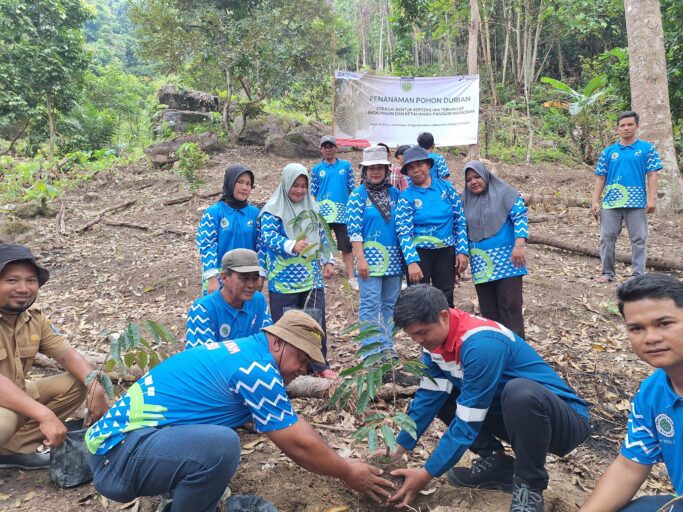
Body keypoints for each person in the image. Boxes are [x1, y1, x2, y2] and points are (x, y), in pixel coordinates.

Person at [86, 310, 394, 512]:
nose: (302, 370)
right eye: (302, 359)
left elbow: (288, 421)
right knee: (221, 446)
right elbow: (298, 443)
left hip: (120, 449)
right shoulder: (257, 368)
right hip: (118, 459)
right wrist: (347, 470)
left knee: (217, 443)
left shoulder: (244, 352)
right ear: (278, 343)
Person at [385, 284, 590, 511]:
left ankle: (529, 488)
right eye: (412, 336)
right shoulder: (434, 344)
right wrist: (397, 447)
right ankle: (497, 464)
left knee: (519, 393)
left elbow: (467, 420)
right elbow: (428, 398)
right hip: (511, 415)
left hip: (560, 423)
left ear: (444, 316)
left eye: (422, 333)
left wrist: (426, 473)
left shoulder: (480, 344)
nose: (418, 341)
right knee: (441, 393)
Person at [0, 244, 109, 469]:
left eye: (30, 280)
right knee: (4, 421)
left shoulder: (33, 318)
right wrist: (45, 415)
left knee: (77, 383)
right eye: (12, 280)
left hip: (17, 393)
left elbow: (68, 355)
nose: (23, 288)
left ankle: (13, 452)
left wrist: (94, 386)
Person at [580, 274, 683, 512]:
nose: (651, 338)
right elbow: (629, 467)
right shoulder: (652, 394)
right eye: (637, 328)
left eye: (664, 323)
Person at [259, 163, 337, 379]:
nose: (300, 190)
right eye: (295, 185)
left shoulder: (313, 208)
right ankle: (287, 367)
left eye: (304, 186)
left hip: (311, 277)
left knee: (314, 320)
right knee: (286, 323)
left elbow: (323, 236)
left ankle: (319, 365)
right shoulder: (272, 210)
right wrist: (290, 245)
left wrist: (328, 260)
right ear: (285, 184)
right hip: (283, 279)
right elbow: (267, 239)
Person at [590, 111, 662, 283]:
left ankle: (638, 275)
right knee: (606, 237)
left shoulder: (647, 149)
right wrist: (595, 200)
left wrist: (652, 199)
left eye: (630, 124)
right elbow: (601, 177)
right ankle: (607, 273)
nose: (626, 128)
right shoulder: (608, 152)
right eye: (622, 125)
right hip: (611, 202)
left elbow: (652, 175)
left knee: (639, 239)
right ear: (617, 128)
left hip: (637, 202)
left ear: (637, 126)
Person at [346, 146, 404, 359]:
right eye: (371, 168)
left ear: (387, 170)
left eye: (380, 167)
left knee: (390, 304)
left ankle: (388, 347)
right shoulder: (358, 195)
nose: (376, 172)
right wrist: (360, 259)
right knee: (370, 304)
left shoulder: (395, 194)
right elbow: (354, 231)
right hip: (368, 260)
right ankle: (370, 350)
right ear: (364, 171)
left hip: (394, 261)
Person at [395, 146, 469, 307]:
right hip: (419, 253)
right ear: (407, 172)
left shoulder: (446, 188)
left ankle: (446, 332)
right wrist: (411, 262)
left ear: (428, 165)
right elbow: (403, 232)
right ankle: (422, 332)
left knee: (445, 296)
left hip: (446, 251)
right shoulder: (406, 196)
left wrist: (462, 250)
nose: (416, 170)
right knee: (418, 300)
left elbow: (460, 221)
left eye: (420, 164)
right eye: (411, 167)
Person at [462, 160, 529, 338]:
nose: (473, 182)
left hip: (508, 260)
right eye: (469, 180)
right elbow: (460, 229)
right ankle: (497, 352)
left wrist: (520, 244)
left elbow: (520, 217)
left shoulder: (505, 192)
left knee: (511, 308)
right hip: (481, 263)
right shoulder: (464, 201)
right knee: (489, 312)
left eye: (477, 176)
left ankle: (518, 355)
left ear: (486, 175)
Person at [185, 248, 271, 349]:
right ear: (224, 278)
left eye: (255, 278)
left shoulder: (259, 300)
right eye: (244, 278)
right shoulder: (202, 310)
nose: (251, 285)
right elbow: (204, 357)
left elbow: (266, 344)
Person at [196, 164, 260, 295]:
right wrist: (212, 277)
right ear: (230, 183)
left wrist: (259, 276)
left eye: (248, 184)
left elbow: (261, 247)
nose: (244, 187)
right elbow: (206, 246)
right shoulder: (214, 212)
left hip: (246, 277)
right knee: (217, 313)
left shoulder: (254, 214)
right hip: (219, 277)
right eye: (240, 182)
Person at [310, 136, 357, 291]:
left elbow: (352, 188)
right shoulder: (316, 169)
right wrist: (313, 210)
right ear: (321, 149)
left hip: (343, 212)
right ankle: (323, 270)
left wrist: (353, 208)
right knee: (320, 243)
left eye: (331, 146)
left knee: (346, 245)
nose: (328, 149)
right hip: (323, 211)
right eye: (325, 146)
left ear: (336, 148)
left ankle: (351, 276)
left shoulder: (346, 166)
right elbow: (313, 192)